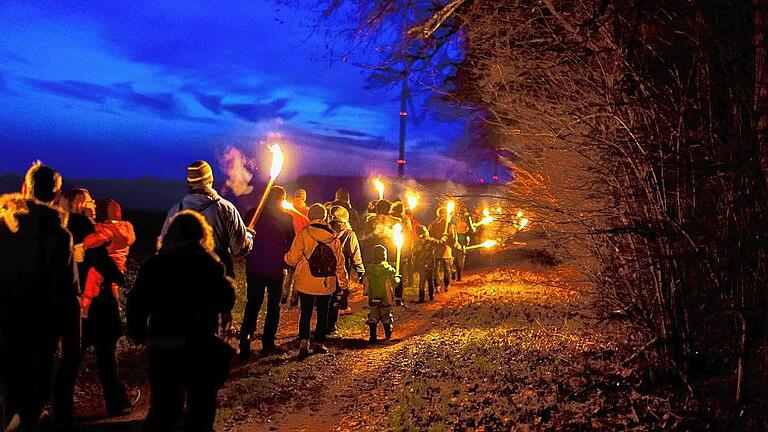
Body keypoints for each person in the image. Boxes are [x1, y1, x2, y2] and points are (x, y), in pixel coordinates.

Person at [128, 211, 235, 432]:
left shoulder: (155, 265)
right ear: (201, 234)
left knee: (165, 409)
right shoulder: (210, 264)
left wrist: (140, 334)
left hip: (164, 345)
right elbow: (226, 300)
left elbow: (137, 302)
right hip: (200, 345)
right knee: (201, 408)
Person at [0, 163, 79, 430]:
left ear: (27, 187)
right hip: (40, 326)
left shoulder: (5, 225)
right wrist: (72, 340)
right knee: (36, 391)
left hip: (7, 321)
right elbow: (67, 290)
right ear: (56, 193)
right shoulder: (57, 234)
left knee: (12, 388)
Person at [57, 188, 124, 425]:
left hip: (73, 301)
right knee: (106, 354)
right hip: (98, 300)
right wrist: (120, 277)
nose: (95, 202)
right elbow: (101, 259)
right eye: (89, 199)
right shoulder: (86, 225)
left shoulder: (61, 227)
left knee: (72, 356)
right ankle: (116, 403)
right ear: (78, 204)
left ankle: (61, 409)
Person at [80, 198, 135, 416]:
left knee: (80, 353)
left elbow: (92, 243)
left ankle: (55, 400)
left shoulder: (108, 232)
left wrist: (80, 242)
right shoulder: (126, 229)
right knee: (106, 356)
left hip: (95, 295)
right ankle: (116, 401)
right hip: (106, 294)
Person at [161, 160, 252, 277]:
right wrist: (248, 237)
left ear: (190, 182)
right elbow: (238, 249)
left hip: (182, 281)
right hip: (216, 282)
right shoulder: (227, 209)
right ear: (210, 180)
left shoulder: (175, 210)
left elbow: (164, 249)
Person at [284, 204, 348, 360]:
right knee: (323, 312)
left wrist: (285, 258)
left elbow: (292, 259)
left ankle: (304, 343)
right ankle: (319, 342)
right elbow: (340, 263)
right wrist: (344, 284)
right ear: (325, 217)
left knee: (305, 313)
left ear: (309, 217)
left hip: (306, 281)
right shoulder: (333, 236)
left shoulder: (304, 234)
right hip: (327, 282)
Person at [239, 186, 295, 360]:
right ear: (282, 199)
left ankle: (245, 342)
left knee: (253, 304)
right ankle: (268, 343)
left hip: (254, 267)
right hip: (275, 269)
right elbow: (291, 244)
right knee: (273, 306)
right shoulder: (286, 218)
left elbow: (243, 238)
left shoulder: (252, 214)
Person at [326, 206, 365, 335]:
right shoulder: (349, 235)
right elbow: (356, 255)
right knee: (336, 298)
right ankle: (330, 326)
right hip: (340, 271)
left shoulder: (325, 231)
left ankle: (322, 326)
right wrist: (361, 273)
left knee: (324, 298)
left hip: (323, 270)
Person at [363, 245, 400, 343]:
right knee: (385, 315)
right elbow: (394, 282)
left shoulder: (369, 269)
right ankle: (387, 334)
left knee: (373, 315)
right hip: (385, 297)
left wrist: (366, 291)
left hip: (373, 296)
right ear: (385, 256)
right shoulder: (389, 270)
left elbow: (364, 281)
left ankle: (373, 336)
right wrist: (398, 278)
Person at [428, 207, 459, 293]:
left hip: (440, 248)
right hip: (443, 248)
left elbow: (430, 236)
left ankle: (440, 285)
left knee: (439, 268)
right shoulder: (446, 225)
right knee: (445, 268)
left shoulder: (435, 225)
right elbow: (452, 238)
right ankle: (444, 285)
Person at [412, 226, 442, 302]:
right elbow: (414, 252)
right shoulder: (421, 242)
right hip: (424, 264)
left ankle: (429, 296)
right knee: (424, 281)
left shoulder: (430, 241)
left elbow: (440, 243)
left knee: (428, 280)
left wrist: (444, 237)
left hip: (428, 264)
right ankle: (423, 297)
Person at [453, 206, 476, 282]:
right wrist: (472, 228)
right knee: (460, 259)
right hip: (461, 241)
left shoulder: (454, 218)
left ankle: (455, 271)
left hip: (455, 241)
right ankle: (458, 275)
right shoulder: (467, 218)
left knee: (454, 258)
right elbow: (471, 231)